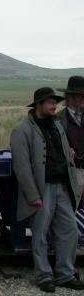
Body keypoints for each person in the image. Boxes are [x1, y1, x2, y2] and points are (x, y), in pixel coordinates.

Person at [10, 87, 84, 293]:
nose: (55, 106)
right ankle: (44, 277)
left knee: (69, 231)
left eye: (56, 103)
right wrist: (33, 195)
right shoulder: (21, 130)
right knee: (40, 234)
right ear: (39, 105)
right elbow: (22, 167)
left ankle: (65, 275)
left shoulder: (58, 126)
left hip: (62, 186)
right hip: (42, 190)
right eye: (50, 102)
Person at [57, 76, 84, 204]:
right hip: (70, 174)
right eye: (80, 95)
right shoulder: (57, 120)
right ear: (70, 96)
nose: (83, 99)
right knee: (72, 211)